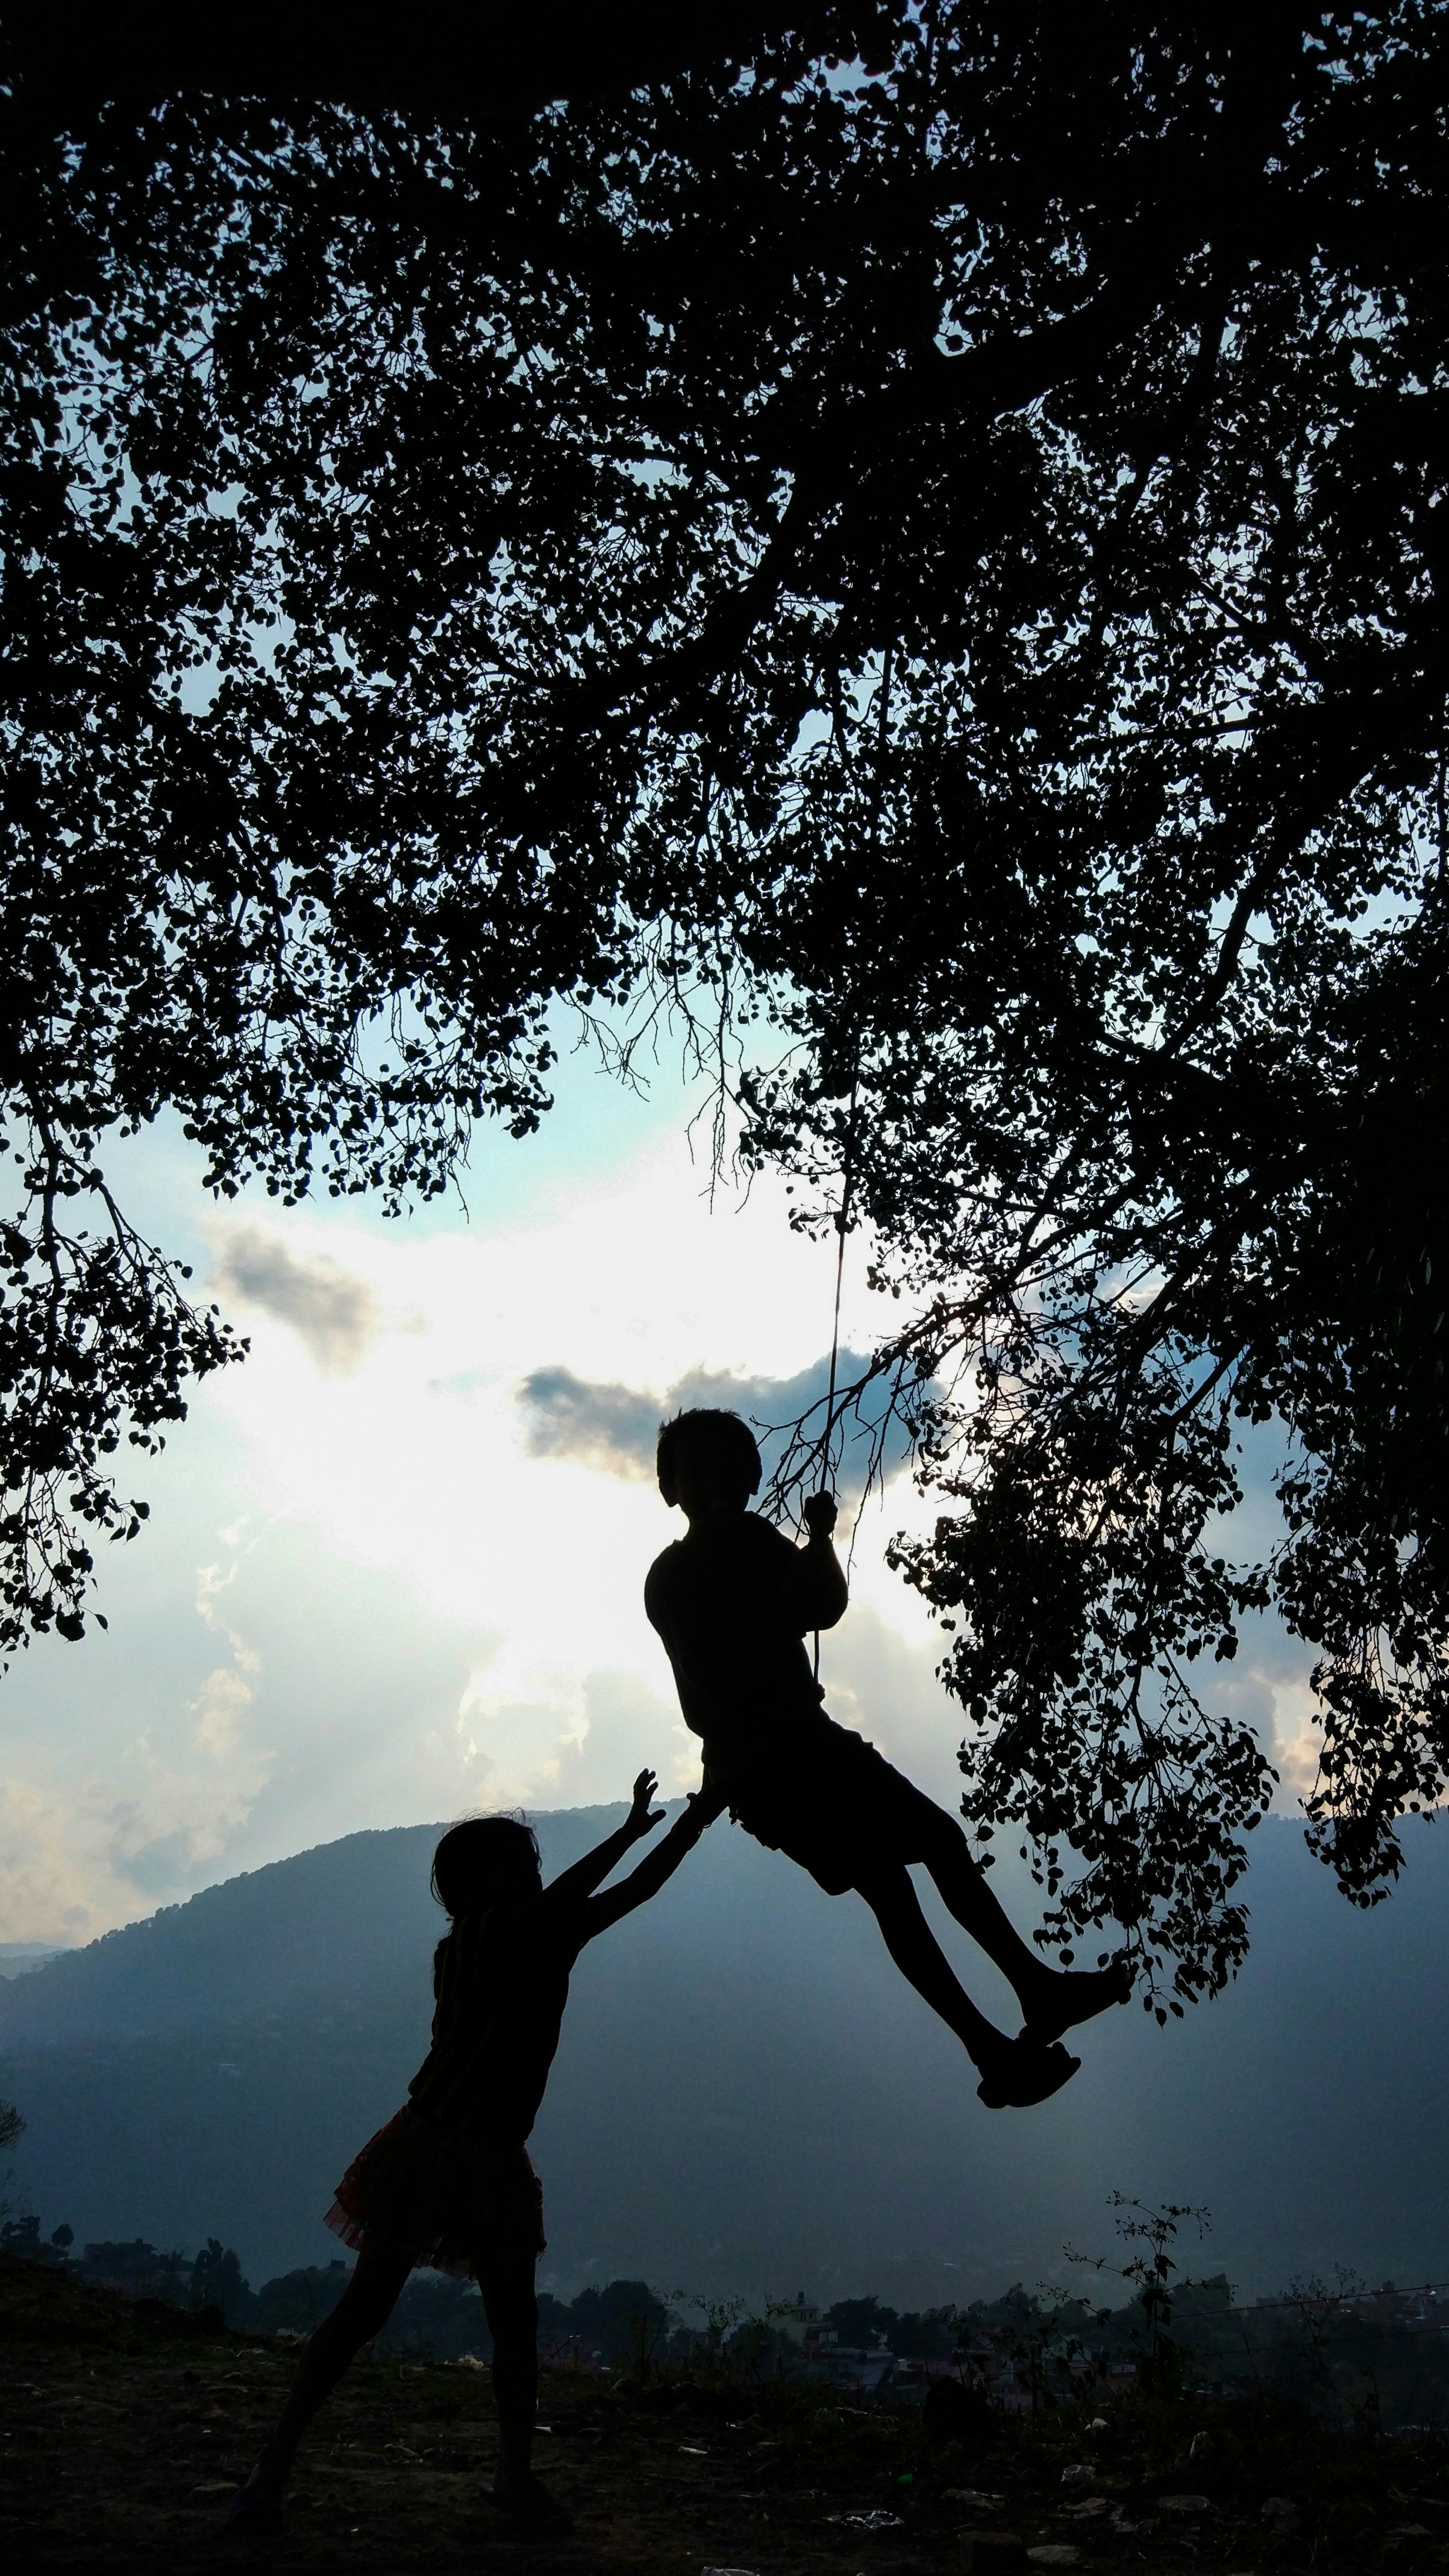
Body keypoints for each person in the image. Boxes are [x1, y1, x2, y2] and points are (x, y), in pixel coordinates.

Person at [230, 1771, 711, 2536]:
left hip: (452, 2144)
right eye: (520, 1868)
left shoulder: (481, 1941)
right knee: (441, 2320)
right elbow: (613, 1893)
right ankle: (486, 2479)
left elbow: (606, 1894)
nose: (535, 1879)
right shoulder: (507, 1937)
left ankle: (277, 2476)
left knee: (424, 2318)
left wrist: (658, 1828)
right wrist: (657, 1828)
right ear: (482, 1885)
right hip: (454, 2149)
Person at [645, 1407, 1130, 2110]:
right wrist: (790, 1587)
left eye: (727, 1470)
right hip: (760, 1768)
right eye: (697, 1472)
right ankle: (991, 2042)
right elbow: (726, 1667)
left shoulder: (756, 1543)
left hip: (809, 1741)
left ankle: (1033, 1990)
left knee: (938, 1841)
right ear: (672, 1489)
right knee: (886, 1885)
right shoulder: (674, 1575)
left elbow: (824, 1605)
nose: (714, 1484)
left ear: (749, 1480)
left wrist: (817, 1539)